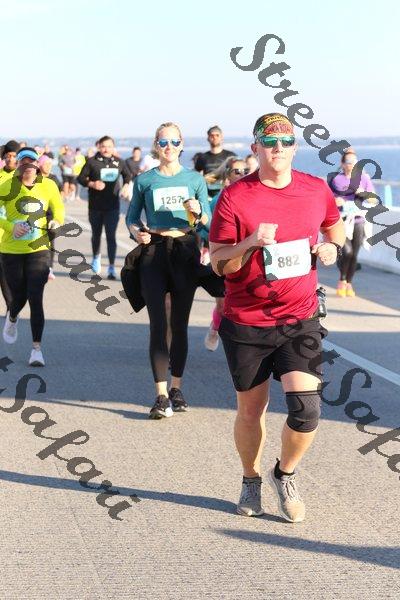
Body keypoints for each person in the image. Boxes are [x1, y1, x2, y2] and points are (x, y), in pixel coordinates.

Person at [209, 113, 345, 522]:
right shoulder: (235, 197)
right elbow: (219, 263)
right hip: (247, 321)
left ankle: (284, 474)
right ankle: (250, 478)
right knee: (252, 412)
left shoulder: (315, 189)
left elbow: (334, 228)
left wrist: (331, 248)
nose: (278, 148)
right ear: (256, 148)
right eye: (269, 142)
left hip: (299, 319)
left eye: (286, 141)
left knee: (307, 410)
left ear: (295, 147)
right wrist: (250, 243)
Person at [125, 121, 211, 419]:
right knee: (158, 324)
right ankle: (161, 396)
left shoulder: (194, 179)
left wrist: (199, 212)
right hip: (155, 251)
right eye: (163, 142)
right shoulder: (145, 180)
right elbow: (132, 217)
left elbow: (208, 221)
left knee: (179, 324)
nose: (169, 147)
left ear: (182, 145)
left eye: (174, 142)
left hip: (185, 249)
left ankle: (177, 388)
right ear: (156, 145)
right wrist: (137, 233)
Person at [0, 147, 64, 366]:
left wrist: (56, 222)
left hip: (39, 249)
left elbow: (58, 209)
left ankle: (36, 350)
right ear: (18, 165)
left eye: (32, 162)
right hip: (11, 251)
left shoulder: (49, 185)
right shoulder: (6, 185)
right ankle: (12, 317)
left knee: (35, 296)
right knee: (19, 296)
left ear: (37, 165)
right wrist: (11, 227)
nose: (28, 166)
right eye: (23, 162)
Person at [204, 156, 249, 351]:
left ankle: (245, 344)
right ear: (227, 176)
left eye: (245, 171)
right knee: (223, 305)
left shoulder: (254, 197)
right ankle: (215, 329)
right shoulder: (218, 200)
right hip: (224, 257)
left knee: (244, 304)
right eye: (237, 171)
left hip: (248, 257)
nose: (242, 174)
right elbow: (206, 227)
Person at [78, 135, 131, 280]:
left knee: (111, 236)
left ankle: (112, 267)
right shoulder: (91, 162)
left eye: (109, 146)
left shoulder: (119, 162)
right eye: (103, 146)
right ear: (99, 147)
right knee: (96, 234)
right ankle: (96, 258)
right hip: (95, 206)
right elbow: (80, 178)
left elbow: (128, 175)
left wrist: (126, 186)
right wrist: (92, 184)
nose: (106, 149)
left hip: (113, 206)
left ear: (113, 147)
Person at [328, 150, 375, 297]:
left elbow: (373, 199)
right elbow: (327, 199)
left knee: (354, 254)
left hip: (359, 220)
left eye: (355, 162)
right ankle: (342, 280)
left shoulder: (364, 178)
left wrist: (363, 193)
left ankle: (348, 283)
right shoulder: (336, 180)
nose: (352, 165)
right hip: (342, 220)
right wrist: (336, 201)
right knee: (347, 252)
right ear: (342, 164)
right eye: (348, 162)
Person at [0, 140, 20, 312]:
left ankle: (12, 306)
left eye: (13, 156)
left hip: (17, 233)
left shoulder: (23, 177)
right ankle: (10, 307)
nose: (10, 159)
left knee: (11, 273)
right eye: (7, 156)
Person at [38, 154, 63, 280]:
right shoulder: (35, 178)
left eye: (50, 164)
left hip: (51, 214)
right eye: (45, 164)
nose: (48, 166)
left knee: (51, 241)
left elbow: (61, 192)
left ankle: (49, 268)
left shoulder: (54, 178)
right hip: (38, 214)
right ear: (39, 165)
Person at [194, 125, 236, 197]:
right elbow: (195, 177)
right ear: (208, 138)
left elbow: (238, 174)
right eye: (212, 135)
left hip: (227, 194)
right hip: (208, 196)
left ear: (222, 137)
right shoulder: (202, 157)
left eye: (217, 135)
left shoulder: (231, 156)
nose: (215, 137)